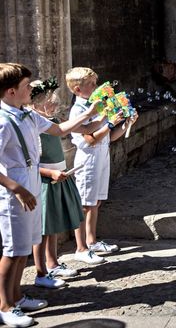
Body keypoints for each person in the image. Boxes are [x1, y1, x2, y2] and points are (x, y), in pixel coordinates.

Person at [0, 63, 98, 327]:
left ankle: (17, 296)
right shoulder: (2, 121)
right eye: (25, 86)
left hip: (31, 187)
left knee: (23, 248)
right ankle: (4, 305)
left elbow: (61, 129)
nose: (31, 89)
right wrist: (16, 188)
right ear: (11, 91)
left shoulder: (28, 115)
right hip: (14, 193)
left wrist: (89, 114)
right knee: (12, 250)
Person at [29, 77, 105, 285]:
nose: (55, 108)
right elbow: (30, 162)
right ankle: (41, 272)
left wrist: (110, 116)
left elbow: (87, 129)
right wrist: (49, 173)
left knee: (53, 226)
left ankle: (52, 264)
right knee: (43, 230)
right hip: (46, 180)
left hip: (59, 176)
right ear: (37, 104)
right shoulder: (33, 125)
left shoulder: (50, 122)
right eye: (50, 104)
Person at [66, 67, 137, 264]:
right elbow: (90, 140)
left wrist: (124, 124)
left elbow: (110, 137)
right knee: (84, 203)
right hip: (88, 159)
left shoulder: (97, 107)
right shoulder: (78, 110)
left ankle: (92, 241)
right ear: (78, 89)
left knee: (95, 202)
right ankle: (80, 248)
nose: (96, 87)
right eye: (91, 84)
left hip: (101, 156)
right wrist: (109, 121)